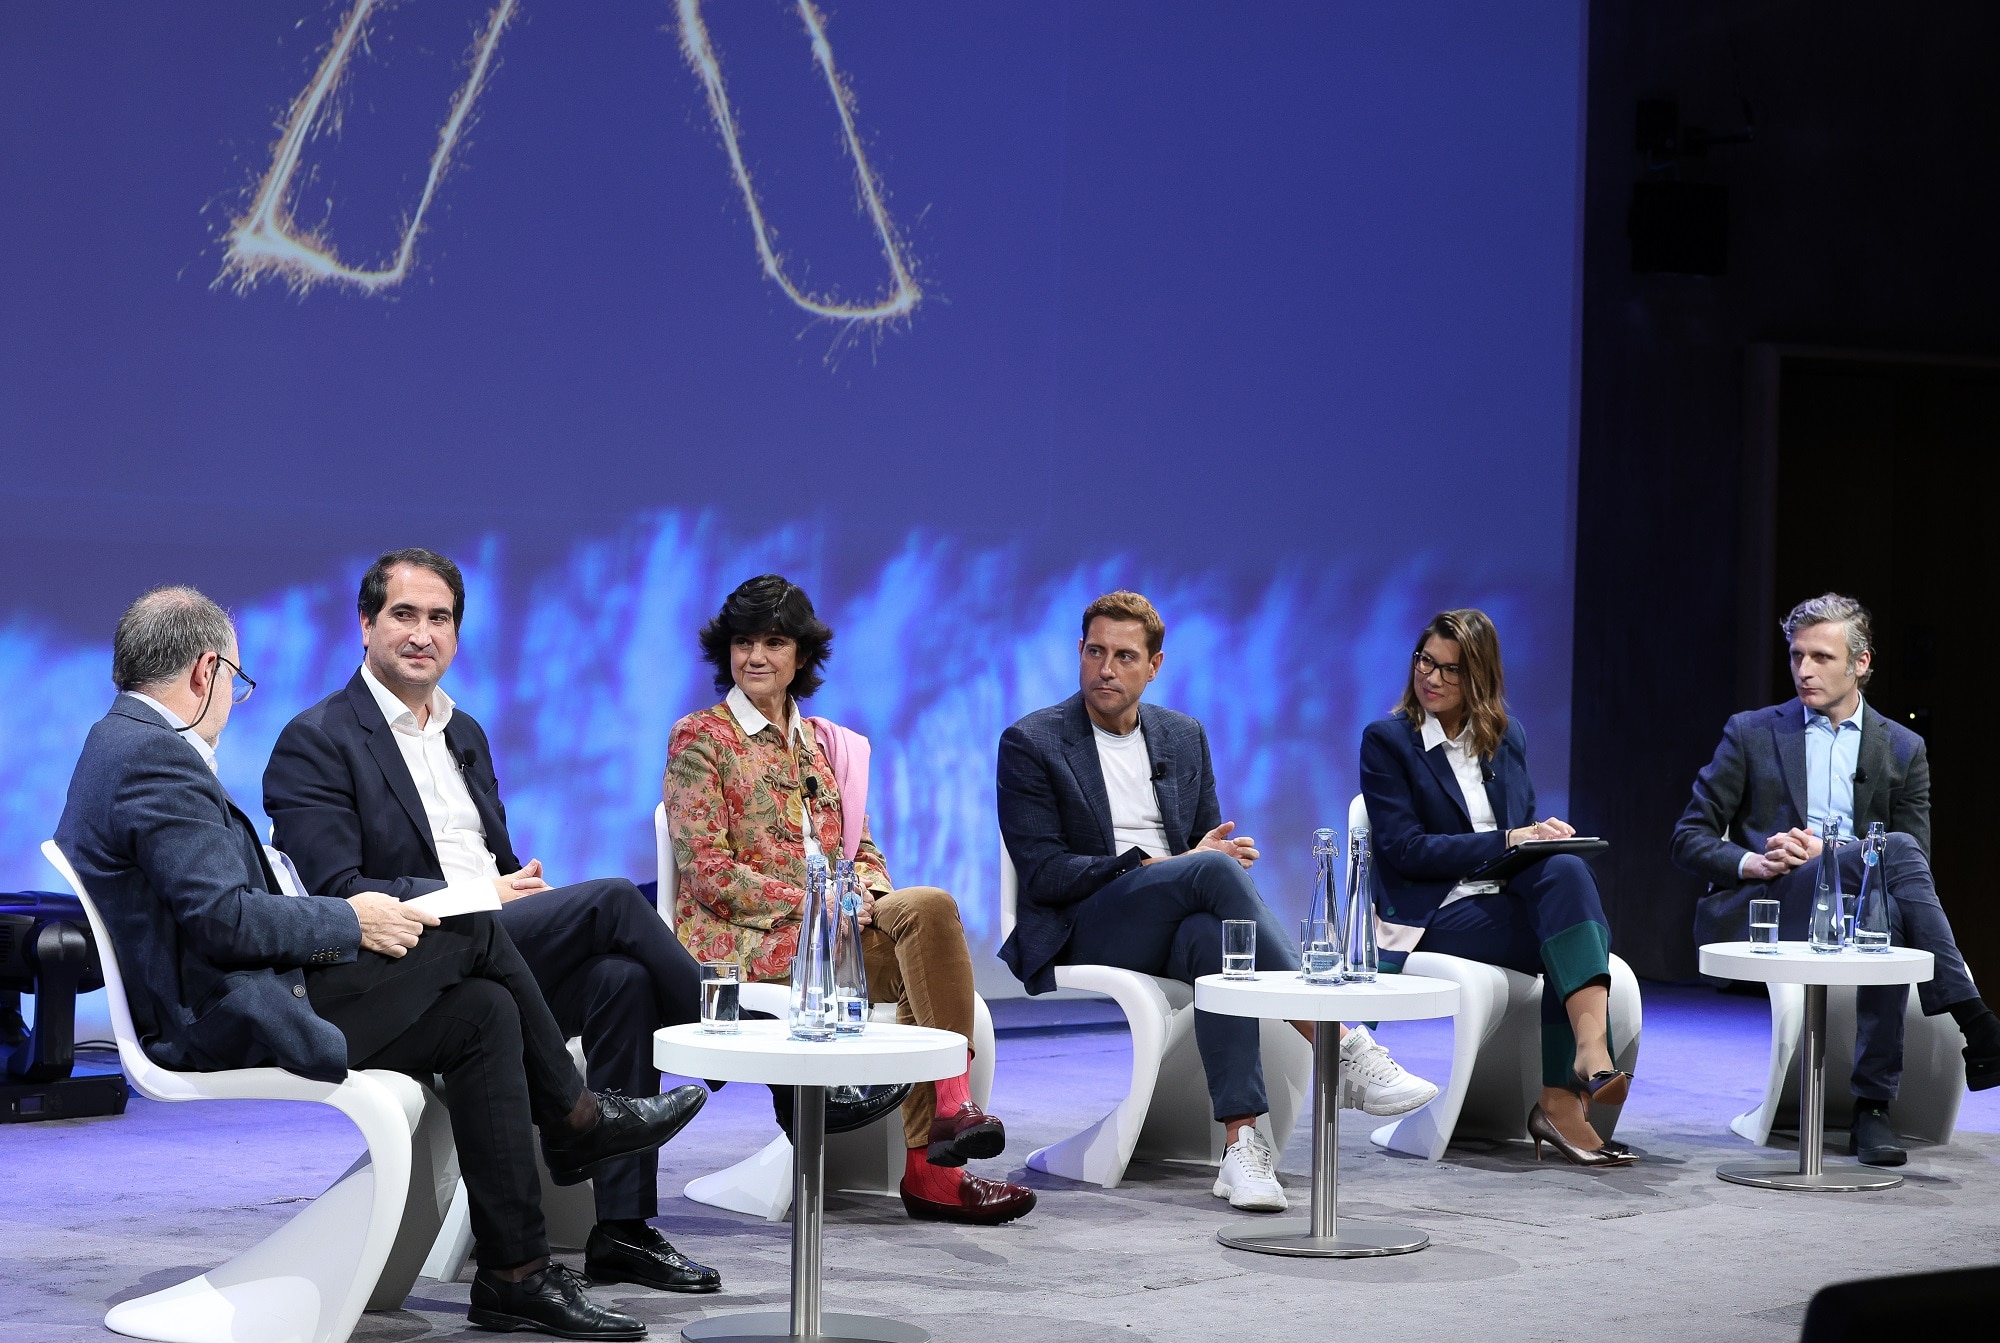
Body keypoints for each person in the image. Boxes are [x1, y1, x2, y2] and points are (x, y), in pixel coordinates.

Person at [57, 587, 695, 1341]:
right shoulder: (153, 758)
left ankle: (516, 1274)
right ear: (206, 671)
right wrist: (352, 919)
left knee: (484, 1012)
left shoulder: (124, 742)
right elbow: (226, 921)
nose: (232, 698)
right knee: (475, 930)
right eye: (235, 680)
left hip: (239, 992)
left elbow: (220, 912)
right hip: (224, 1017)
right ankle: (578, 1119)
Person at [263, 549, 719, 1293]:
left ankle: (621, 1230)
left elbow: (494, 859)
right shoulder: (317, 739)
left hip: (493, 946)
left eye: (439, 618)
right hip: (409, 967)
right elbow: (339, 892)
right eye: (404, 615)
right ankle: (754, 1064)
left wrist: (515, 889)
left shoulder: (464, 731)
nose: (423, 634)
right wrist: (477, 893)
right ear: (366, 624)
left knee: (621, 979)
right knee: (612, 900)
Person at [999, 591, 1438, 1212]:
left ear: (1154, 665)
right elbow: (1045, 875)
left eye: (1125, 656)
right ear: (1079, 652)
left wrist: (1206, 859)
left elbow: (1208, 844)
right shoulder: (1033, 741)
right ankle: (1343, 1042)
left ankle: (1241, 1146)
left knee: (1215, 940)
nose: (1106, 669)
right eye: (1095, 652)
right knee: (1208, 873)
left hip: (1173, 920)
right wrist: (1169, 864)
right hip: (1084, 923)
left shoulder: (1182, 736)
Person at [664, 575, 1036, 1226]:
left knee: (929, 907)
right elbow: (708, 872)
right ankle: (935, 1172)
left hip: (838, 926)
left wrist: (869, 895)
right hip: (753, 938)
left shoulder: (825, 743)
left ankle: (951, 1113)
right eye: (744, 642)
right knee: (922, 961)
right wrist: (819, 905)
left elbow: (860, 846)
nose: (755, 656)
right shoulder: (701, 737)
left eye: (773, 642)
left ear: (801, 655)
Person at [1673, 592, 1999, 1166]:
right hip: (1780, 899)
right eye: (1796, 655)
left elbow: (1914, 863)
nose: (1804, 670)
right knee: (1890, 859)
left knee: (1887, 909)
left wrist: (1833, 851)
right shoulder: (1751, 732)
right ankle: (1975, 1021)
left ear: (1860, 663)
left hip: (1863, 899)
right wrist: (1756, 861)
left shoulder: (1902, 748)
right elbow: (1688, 838)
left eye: (1821, 657)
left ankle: (1872, 1107)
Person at [1360, 608, 1635, 1168]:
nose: (1432, 678)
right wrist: (1509, 838)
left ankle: (1587, 1058)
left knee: (1566, 870)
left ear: (1479, 678)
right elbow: (1406, 850)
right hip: (1430, 912)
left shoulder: (1507, 739)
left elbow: (1519, 839)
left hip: (1499, 901)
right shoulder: (1388, 741)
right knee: (1572, 941)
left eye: (1451, 670)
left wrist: (1539, 839)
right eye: (1425, 662)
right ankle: (1564, 1097)